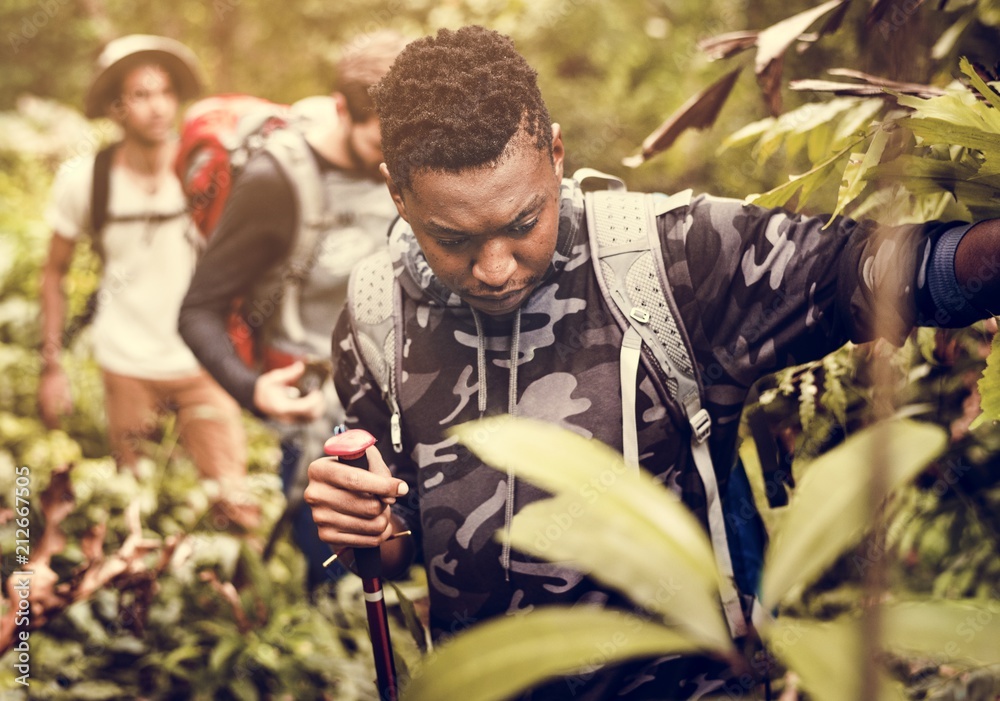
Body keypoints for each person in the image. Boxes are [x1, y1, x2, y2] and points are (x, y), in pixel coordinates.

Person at [302, 25, 1000, 699]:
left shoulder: (672, 258)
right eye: (451, 237)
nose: (493, 268)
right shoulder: (375, 313)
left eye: (522, 224)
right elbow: (407, 537)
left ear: (555, 153)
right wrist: (369, 527)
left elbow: (871, 268)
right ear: (397, 193)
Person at [178, 31, 409, 589]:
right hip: (319, 412)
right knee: (337, 570)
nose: (396, 161)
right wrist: (251, 388)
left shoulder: (408, 160)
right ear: (339, 110)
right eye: (384, 143)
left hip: (403, 393)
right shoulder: (275, 182)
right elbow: (198, 309)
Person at [39, 34, 256, 528]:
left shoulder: (208, 170)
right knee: (138, 510)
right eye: (140, 95)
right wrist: (53, 366)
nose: (157, 107)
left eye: (164, 93)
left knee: (235, 504)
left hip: (204, 360)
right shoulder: (86, 180)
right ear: (116, 107)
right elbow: (54, 271)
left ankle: (240, 602)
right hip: (126, 363)